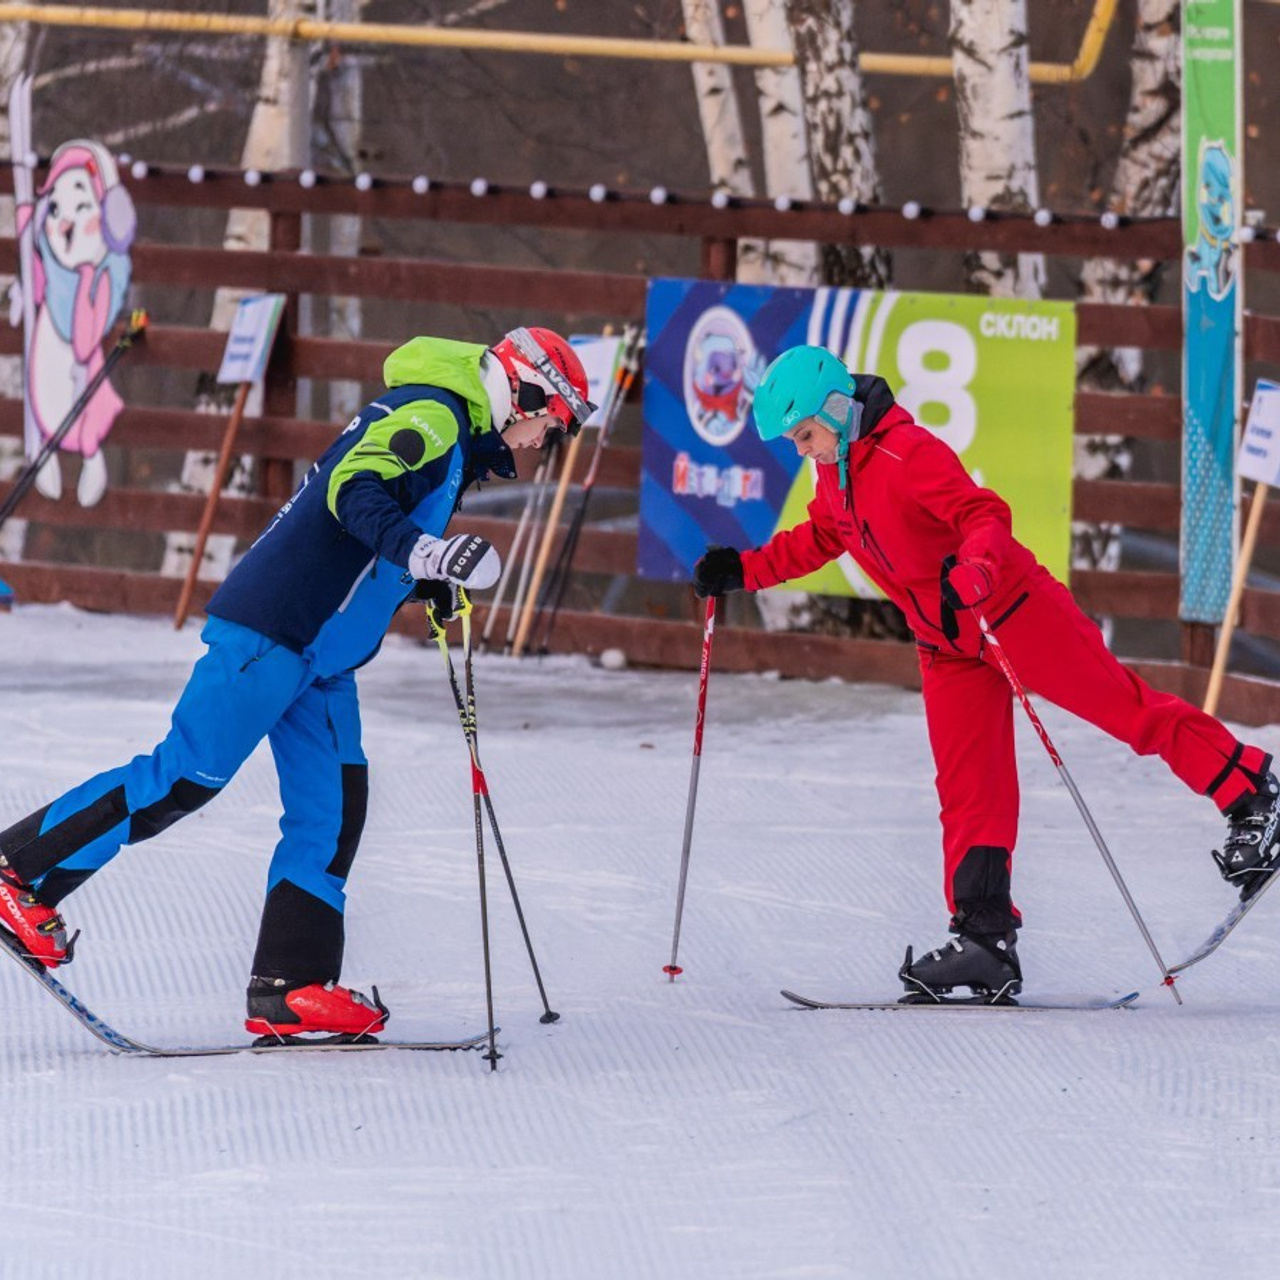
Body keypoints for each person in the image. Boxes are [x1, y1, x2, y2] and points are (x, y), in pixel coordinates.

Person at [0, 326, 594, 1038]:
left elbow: (365, 545)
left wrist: (423, 580)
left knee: (333, 810)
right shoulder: (432, 415)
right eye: (549, 423)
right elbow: (355, 490)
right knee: (183, 776)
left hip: (322, 659)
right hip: (274, 632)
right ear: (524, 389)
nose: (539, 441)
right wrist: (426, 549)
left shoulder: (454, 435)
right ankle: (15, 873)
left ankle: (291, 984)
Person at [692, 344, 1280, 1003]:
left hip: (1010, 610)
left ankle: (1254, 791)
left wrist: (975, 573)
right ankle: (984, 937)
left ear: (836, 406)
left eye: (805, 435)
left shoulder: (907, 453)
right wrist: (743, 571)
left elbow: (984, 516)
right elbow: (822, 538)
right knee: (969, 787)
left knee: (1128, 711)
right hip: (944, 642)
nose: (804, 450)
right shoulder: (839, 473)